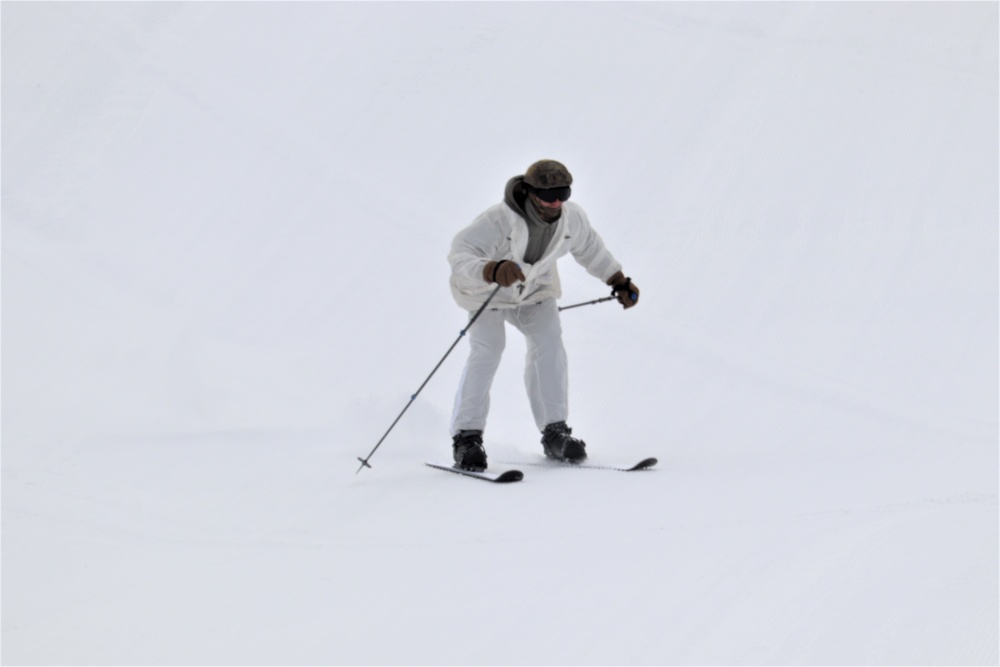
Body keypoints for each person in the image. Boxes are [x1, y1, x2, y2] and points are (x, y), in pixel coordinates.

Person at [447, 159, 639, 471]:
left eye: (563, 193)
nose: (556, 202)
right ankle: (466, 438)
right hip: (488, 294)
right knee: (488, 351)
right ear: (530, 191)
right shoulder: (497, 220)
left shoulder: (571, 218)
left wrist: (617, 280)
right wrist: (491, 269)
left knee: (549, 344)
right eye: (549, 195)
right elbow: (460, 254)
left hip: (535, 292)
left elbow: (590, 249)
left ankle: (555, 431)